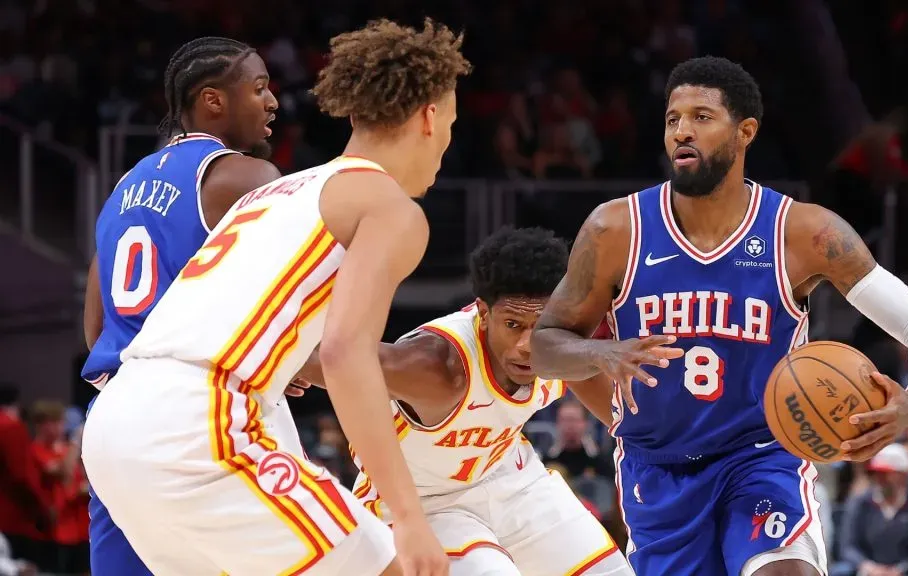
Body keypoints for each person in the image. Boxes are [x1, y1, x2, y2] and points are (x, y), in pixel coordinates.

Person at [530, 56, 908, 576]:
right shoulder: (615, 229)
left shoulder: (802, 233)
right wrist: (602, 352)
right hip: (658, 471)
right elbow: (545, 346)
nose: (682, 131)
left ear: (746, 131)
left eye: (701, 117)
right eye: (672, 119)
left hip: (761, 457)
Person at [81, 19, 470, 576]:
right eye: (452, 124)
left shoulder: (272, 193)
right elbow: (344, 354)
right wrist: (407, 517)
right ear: (431, 117)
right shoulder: (389, 208)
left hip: (116, 425)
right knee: (401, 566)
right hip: (201, 422)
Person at [296, 227, 631, 575]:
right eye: (513, 324)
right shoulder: (439, 367)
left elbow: (630, 425)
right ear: (484, 314)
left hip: (511, 479)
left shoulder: (564, 344)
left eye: (540, 324)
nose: (527, 345)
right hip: (424, 501)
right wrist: (285, 365)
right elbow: (339, 358)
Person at [79, 36, 282, 576]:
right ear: (213, 101)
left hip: (113, 416)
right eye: (259, 87)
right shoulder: (245, 177)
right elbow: (282, 301)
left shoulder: (122, 186)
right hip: (199, 410)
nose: (273, 102)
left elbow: (96, 325)